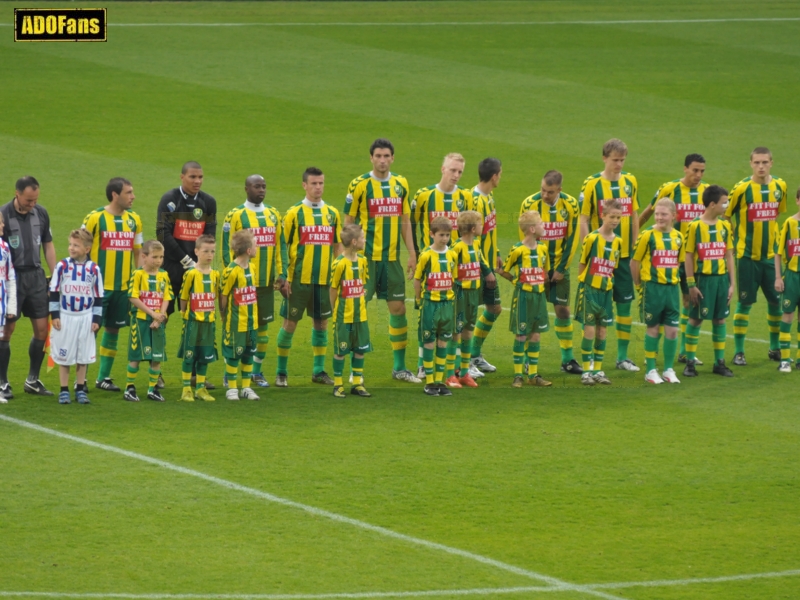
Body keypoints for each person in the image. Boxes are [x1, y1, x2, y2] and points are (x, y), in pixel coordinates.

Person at [344, 139, 418, 383]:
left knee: (398, 308)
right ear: (371, 158)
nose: (383, 160)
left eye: (387, 155)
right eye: (378, 155)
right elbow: (348, 223)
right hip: (365, 261)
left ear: (393, 158)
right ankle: (354, 371)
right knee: (357, 311)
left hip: (392, 259)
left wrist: (412, 253)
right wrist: (349, 256)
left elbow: (406, 220)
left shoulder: (401, 183)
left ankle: (399, 368)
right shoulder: (359, 185)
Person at [275, 167, 342, 387]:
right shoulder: (294, 213)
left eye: (321, 183)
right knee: (290, 324)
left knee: (321, 324)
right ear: (304, 185)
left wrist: (340, 273)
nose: (318, 187)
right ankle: (281, 372)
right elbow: (282, 247)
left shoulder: (332, 213)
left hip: (324, 281)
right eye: (313, 183)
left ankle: (318, 371)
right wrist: (284, 276)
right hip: (298, 281)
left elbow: (337, 246)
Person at [638, 154, 708, 364]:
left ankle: (686, 352)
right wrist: (635, 234)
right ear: (685, 169)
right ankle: (652, 354)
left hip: (692, 260)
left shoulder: (706, 192)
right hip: (665, 257)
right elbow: (650, 212)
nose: (698, 175)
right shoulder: (669, 189)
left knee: (689, 302)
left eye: (702, 171)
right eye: (695, 170)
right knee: (661, 307)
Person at [580, 139, 640, 372]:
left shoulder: (630, 181)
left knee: (624, 306)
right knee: (597, 311)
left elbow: (634, 215)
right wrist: (589, 249)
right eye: (615, 160)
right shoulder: (592, 184)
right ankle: (591, 361)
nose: (619, 164)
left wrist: (635, 248)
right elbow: (584, 219)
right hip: (601, 260)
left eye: (622, 160)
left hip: (624, 256)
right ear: (604, 158)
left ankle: (623, 358)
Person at [221, 175, 287, 388]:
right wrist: (230, 277)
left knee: (262, 330)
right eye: (257, 186)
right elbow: (225, 248)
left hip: (266, 283)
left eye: (264, 186)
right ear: (246, 188)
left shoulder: (274, 214)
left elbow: (280, 247)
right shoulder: (235, 215)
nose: (261, 190)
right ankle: (229, 373)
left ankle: (256, 372)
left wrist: (282, 274)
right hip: (241, 285)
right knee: (238, 330)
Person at [411, 153, 471, 378]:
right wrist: (415, 255)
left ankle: (453, 367)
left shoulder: (465, 196)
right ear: (442, 169)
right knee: (425, 318)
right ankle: (421, 364)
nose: (456, 175)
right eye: (452, 170)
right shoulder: (424, 195)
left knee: (453, 318)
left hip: (454, 268)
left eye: (460, 172)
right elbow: (411, 224)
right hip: (429, 267)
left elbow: (469, 229)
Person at [727, 147, 787, 366]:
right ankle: (739, 351)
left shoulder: (780, 186)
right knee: (745, 303)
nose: (761, 166)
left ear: (771, 162)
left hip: (771, 257)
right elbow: (726, 216)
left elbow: (777, 212)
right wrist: (736, 237)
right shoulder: (741, 188)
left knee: (775, 302)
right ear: (750, 163)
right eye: (757, 162)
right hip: (746, 257)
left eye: (765, 162)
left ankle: (775, 347)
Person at [83, 177, 143, 392]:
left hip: (123, 288)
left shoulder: (134, 220)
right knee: (90, 332)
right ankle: (81, 379)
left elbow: (138, 252)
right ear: (115, 195)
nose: (133, 196)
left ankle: (103, 378)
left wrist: (140, 282)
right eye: (128, 192)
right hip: (97, 288)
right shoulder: (95, 218)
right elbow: (81, 249)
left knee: (113, 330)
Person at [519, 170, 582, 374]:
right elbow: (525, 239)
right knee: (532, 314)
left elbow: (572, 239)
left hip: (559, 267)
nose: (545, 195)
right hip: (536, 268)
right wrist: (538, 269)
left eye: (550, 192)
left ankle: (567, 359)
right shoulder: (529, 204)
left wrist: (562, 269)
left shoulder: (571, 205)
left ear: (560, 190)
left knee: (563, 310)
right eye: (543, 190)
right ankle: (528, 359)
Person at [0, 176, 57, 398]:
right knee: (6, 331)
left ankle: (32, 380)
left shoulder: (41, 213)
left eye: (35, 200)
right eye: (28, 200)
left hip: (36, 277)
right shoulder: (3, 215)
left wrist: (56, 276)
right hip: (11, 279)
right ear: (17, 193)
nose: (32, 204)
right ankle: (3, 382)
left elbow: (48, 245)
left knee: (42, 330)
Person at [631, 199, 685, 384]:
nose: (660, 217)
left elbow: (679, 262)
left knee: (672, 331)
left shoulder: (679, 237)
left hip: (671, 289)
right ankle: (651, 370)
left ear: (673, 216)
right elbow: (634, 262)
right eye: (657, 214)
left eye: (664, 214)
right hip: (652, 288)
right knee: (653, 328)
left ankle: (669, 369)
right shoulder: (647, 235)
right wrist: (639, 285)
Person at [683, 185, 735, 377]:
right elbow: (688, 256)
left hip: (721, 281)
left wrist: (732, 285)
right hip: (702, 280)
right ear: (712, 204)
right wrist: (691, 285)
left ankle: (719, 363)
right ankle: (689, 363)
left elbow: (729, 256)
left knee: (720, 319)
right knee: (695, 319)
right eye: (724, 202)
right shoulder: (694, 226)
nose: (726, 205)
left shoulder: (725, 226)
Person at [498, 211, 552, 388]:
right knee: (521, 335)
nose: (544, 226)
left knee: (535, 335)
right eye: (541, 224)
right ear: (531, 229)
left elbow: (546, 271)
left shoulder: (543, 248)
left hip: (539, 297)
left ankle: (533, 375)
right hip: (523, 297)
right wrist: (515, 281)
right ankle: (518, 375)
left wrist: (541, 279)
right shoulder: (518, 250)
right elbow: (504, 270)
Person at [48, 229, 102, 405]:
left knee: (82, 356)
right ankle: (64, 390)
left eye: (76, 245)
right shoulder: (62, 266)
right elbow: (54, 291)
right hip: (66, 317)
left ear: (87, 249)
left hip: (85, 317)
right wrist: (55, 315)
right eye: (70, 244)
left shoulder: (94, 269)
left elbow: (99, 296)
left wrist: (96, 319)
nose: (71, 248)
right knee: (65, 355)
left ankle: (80, 389)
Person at [156, 161, 217, 316]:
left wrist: (198, 261)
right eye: (192, 177)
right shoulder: (170, 199)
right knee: (162, 313)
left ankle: (191, 341)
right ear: (182, 177)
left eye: (200, 177)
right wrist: (185, 259)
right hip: (171, 266)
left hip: (196, 267)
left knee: (196, 313)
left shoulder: (208, 202)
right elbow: (163, 233)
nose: (197, 181)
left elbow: (209, 236)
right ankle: (158, 340)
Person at [575, 200, 624, 386]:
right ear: (602, 216)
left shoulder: (618, 242)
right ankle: (586, 371)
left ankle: (598, 370)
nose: (615, 221)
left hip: (606, 292)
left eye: (618, 217)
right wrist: (584, 286)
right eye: (612, 217)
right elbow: (582, 263)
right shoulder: (592, 238)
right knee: (589, 330)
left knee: (602, 331)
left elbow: (612, 268)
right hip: (589, 290)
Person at [450, 210, 495, 388]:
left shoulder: (476, 244)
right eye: (479, 223)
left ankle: (464, 372)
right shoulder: (457, 247)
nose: (482, 226)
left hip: (473, 293)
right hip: (460, 293)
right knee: (456, 331)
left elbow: (481, 261)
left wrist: (488, 273)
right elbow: (449, 267)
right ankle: (450, 372)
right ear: (472, 228)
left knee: (468, 330)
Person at [467, 158, 503, 376]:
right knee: (469, 315)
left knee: (494, 308)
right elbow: (472, 239)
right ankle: (465, 362)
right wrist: (485, 269)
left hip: (488, 262)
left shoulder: (489, 197)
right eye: (500, 174)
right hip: (477, 267)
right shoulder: (474, 200)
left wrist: (496, 252)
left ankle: (474, 354)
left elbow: (490, 230)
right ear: (494, 176)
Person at [414, 216, 458, 396]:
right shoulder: (426, 255)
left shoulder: (452, 255)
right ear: (432, 234)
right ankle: (430, 381)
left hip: (447, 304)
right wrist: (419, 301)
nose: (445, 238)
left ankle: (440, 381)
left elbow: (453, 278)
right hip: (430, 304)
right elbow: (417, 280)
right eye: (441, 235)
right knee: (429, 342)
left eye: (447, 235)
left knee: (443, 342)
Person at [125, 240, 172, 402]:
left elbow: (167, 297)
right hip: (141, 321)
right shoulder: (138, 274)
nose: (158, 260)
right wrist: (153, 314)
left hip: (157, 322)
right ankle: (129, 387)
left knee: (156, 357)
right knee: (136, 356)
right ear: (144, 257)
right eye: (155, 257)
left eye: (161, 257)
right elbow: (133, 297)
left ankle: (152, 389)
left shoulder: (164, 275)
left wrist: (160, 316)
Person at [329, 224, 372, 398]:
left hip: (360, 314)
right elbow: (332, 289)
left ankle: (357, 383)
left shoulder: (362, 260)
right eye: (362, 237)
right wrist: (334, 312)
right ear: (354, 242)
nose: (365, 240)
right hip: (343, 315)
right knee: (341, 350)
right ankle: (338, 385)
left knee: (360, 349)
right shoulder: (339, 263)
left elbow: (363, 282)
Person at [177, 234, 220, 401]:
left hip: (208, 322)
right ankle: (186, 388)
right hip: (193, 322)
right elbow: (183, 296)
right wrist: (184, 314)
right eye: (205, 251)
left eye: (212, 251)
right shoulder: (191, 274)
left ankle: (201, 388)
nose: (209, 255)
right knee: (189, 355)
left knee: (205, 356)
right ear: (196, 251)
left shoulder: (215, 275)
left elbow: (215, 297)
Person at [221, 230, 260, 400]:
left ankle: (246, 387)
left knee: (248, 353)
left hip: (252, 321)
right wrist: (224, 317)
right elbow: (223, 295)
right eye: (255, 244)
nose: (258, 247)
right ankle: (231, 388)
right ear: (249, 251)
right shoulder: (231, 271)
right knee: (233, 354)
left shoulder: (252, 267)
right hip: (235, 322)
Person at [773, 187, 800, 372]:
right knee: (788, 315)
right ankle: (784, 360)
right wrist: (778, 277)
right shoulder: (789, 223)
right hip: (791, 276)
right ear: (797, 201)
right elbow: (778, 252)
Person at [0, 214, 16, 404]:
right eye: (0, 222)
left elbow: (10, 276)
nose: (3, 225)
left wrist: (11, 306)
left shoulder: (4, 247)